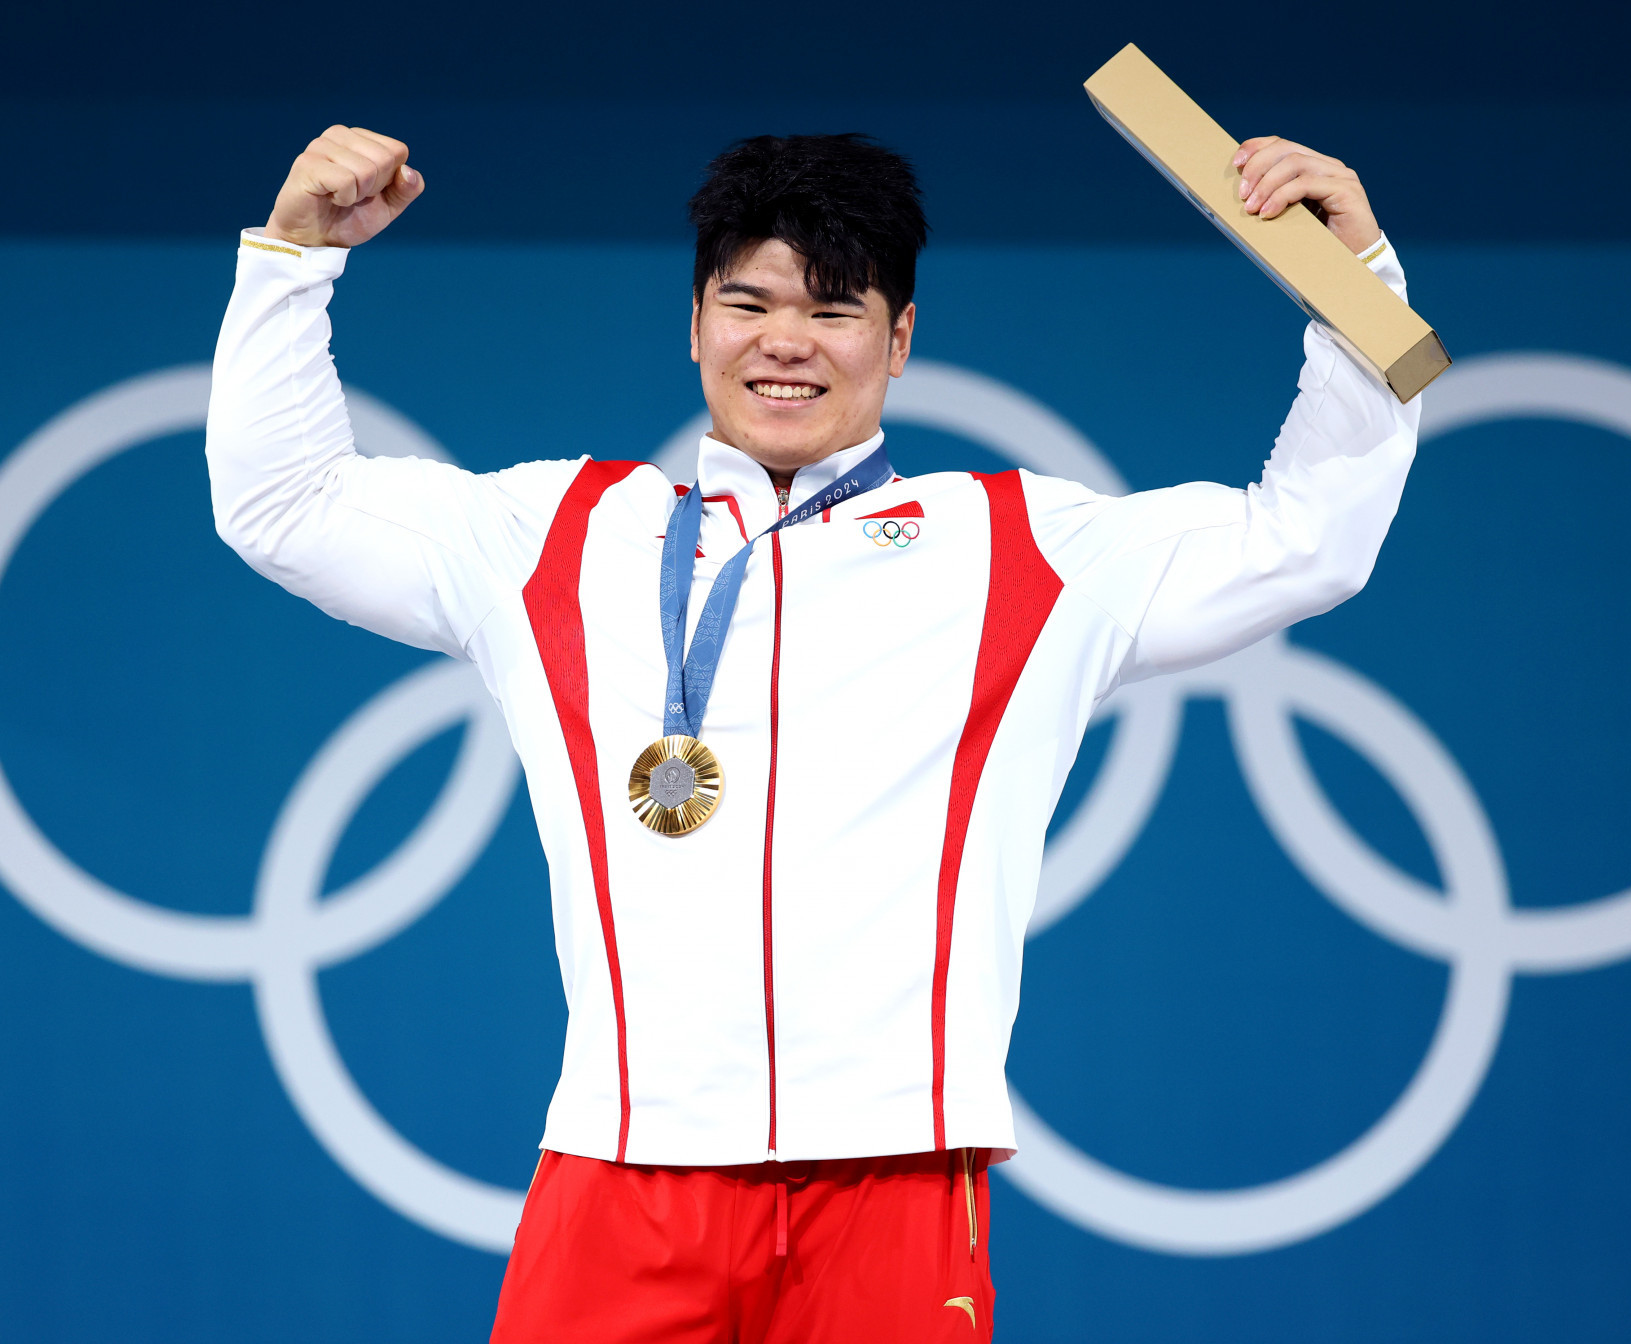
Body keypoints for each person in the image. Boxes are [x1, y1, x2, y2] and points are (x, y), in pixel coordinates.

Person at [206, 124, 1416, 1343]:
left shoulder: (1018, 554)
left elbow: (1303, 541)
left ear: (898, 341)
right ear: (692, 325)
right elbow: (282, 505)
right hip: (622, 1168)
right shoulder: (557, 538)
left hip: (893, 1181)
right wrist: (293, 260)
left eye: (834, 310)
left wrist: (1355, 282)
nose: (784, 341)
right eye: (746, 302)